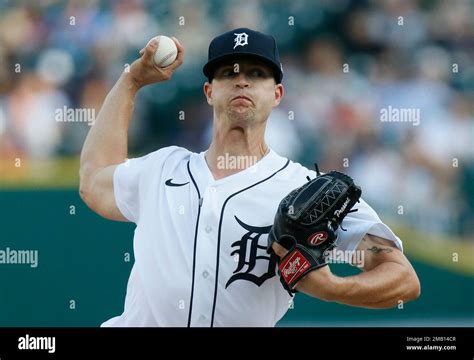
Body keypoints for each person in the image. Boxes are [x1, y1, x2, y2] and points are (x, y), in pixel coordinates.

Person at [79, 28, 420, 327]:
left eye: (257, 73)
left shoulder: (306, 190)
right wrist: (132, 81)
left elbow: (403, 278)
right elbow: (93, 180)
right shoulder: (163, 168)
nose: (241, 80)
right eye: (228, 73)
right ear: (209, 92)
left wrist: (334, 289)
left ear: (277, 95)